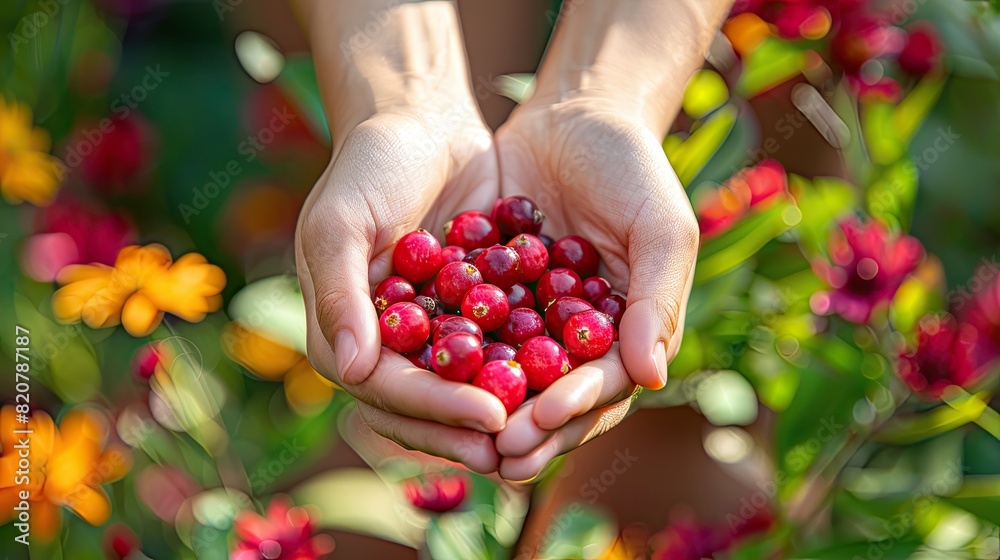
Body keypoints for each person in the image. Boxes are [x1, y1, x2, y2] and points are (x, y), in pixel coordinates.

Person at [289, 0, 733, 483]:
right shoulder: (476, 288)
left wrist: (604, 99)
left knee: (667, 459)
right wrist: (406, 100)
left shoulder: (537, 286)